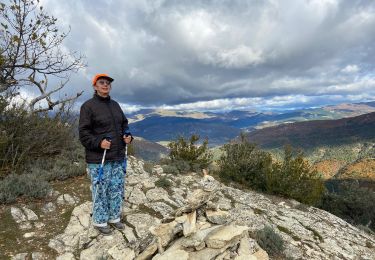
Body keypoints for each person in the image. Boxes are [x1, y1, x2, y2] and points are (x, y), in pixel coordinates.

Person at [79, 73, 133, 235]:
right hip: (98, 158)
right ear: (95, 86)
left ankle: (114, 218)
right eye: (101, 83)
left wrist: (128, 136)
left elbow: (124, 124)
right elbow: (83, 133)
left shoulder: (115, 105)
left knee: (116, 188)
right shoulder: (88, 106)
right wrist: (98, 143)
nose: (105, 85)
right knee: (101, 189)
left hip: (117, 156)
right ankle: (100, 220)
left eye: (108, 83)